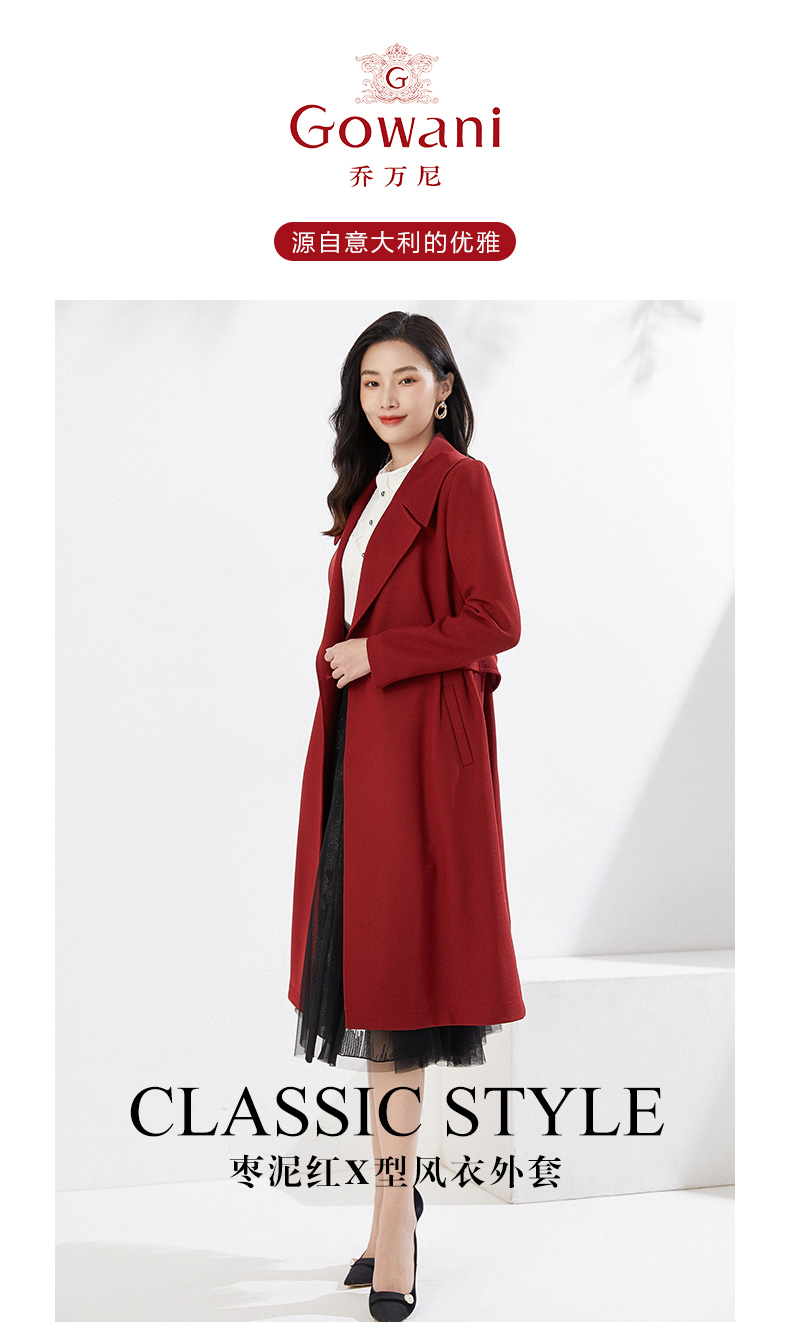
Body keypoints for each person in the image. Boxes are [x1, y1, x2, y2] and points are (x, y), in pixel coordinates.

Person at [288, 310, 526, 1322]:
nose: (386, 396)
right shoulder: (367, 492)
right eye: (369, 381)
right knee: (370, 976)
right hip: (361, 751)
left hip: (423, 755)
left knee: (401, 988)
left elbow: (497, 619)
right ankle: (395, 1200)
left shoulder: (458, 481)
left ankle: (393, 1221)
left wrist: (379, 656)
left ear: (443, 386)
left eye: (406, 378)